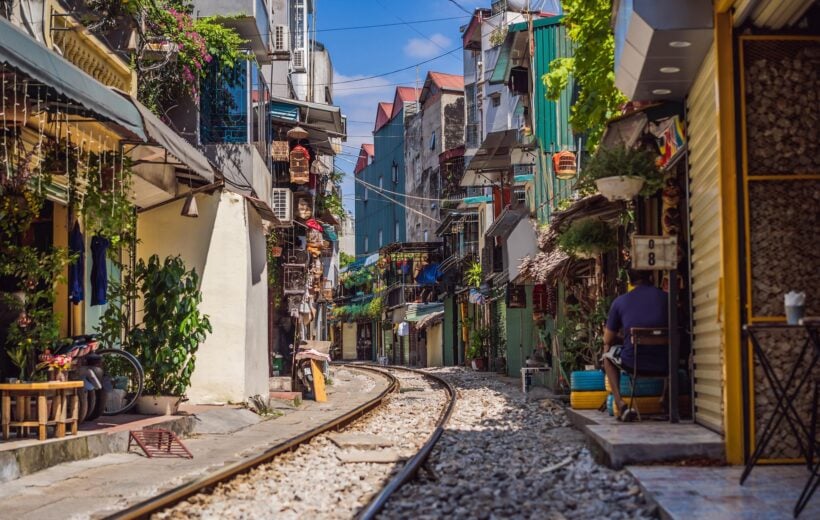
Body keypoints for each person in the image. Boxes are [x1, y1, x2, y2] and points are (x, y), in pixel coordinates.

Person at [602, 268, 668, 421]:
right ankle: (666, 399)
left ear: (629, 281)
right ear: (651, 276)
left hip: (633, 363)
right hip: (667, 363)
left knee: (607, 355)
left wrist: (623, 337)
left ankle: (621, 404)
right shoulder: (666, 299)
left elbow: (607, 339)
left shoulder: (620, 302)